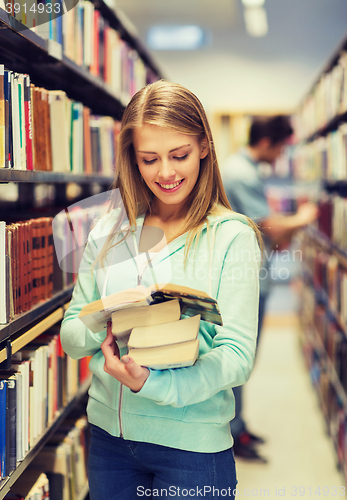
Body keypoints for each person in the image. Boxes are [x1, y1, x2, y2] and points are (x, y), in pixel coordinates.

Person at [60, 80, 262, 500]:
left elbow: (237, 356)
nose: (166, 173)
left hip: (192, 449)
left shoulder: (231, 236)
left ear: (204, 146)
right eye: (149, 159)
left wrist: (149, 384)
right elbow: (72, 338)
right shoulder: (110, 231)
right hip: (109, 443)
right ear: (132, 158)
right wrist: (107, 320)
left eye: (179, 155)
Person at [222, 115, 319, 462]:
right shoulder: (241, 173)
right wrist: (303, 218)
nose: (280, 156)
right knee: (239, 357)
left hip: (252, 274)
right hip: (244, 280)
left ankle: (238, 425)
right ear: (266, 143)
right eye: (280, 148)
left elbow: (272, 235)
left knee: (244, 359)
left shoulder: (247, 170)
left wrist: (284, 229)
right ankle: (231, 433)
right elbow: (275, 229)